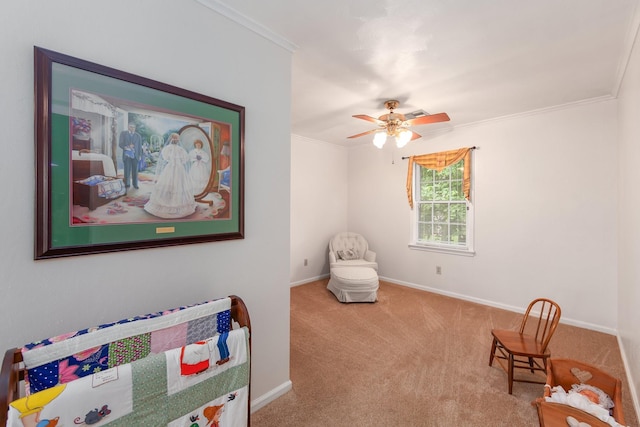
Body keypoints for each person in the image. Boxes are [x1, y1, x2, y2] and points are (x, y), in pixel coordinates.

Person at [144, 133, 197, 219]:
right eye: (174, 138)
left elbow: (185, 159)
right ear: (171, 139)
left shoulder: (180, 149)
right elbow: (165, 158)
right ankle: (167, 202)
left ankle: (178, 203)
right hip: (171, 167)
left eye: (177, 138)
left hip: (179, 169)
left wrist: (178, 162)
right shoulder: (168, 148)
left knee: (179, 185)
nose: (175, 140)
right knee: (168, 184)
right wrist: (174, 161)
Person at [118, 123, 143, 189]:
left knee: (135, 171)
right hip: (127, 155)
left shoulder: (138, 136)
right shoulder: (123, 134)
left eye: (133, 127)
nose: (132, 128)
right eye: (131, 127)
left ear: (135, 128)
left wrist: (140, 155)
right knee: (127, 170)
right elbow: (120, 144)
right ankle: (127, 183)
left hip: (136, 155)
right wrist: (127, 147)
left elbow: (140, 146)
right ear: (128, 127)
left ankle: (135, 184)